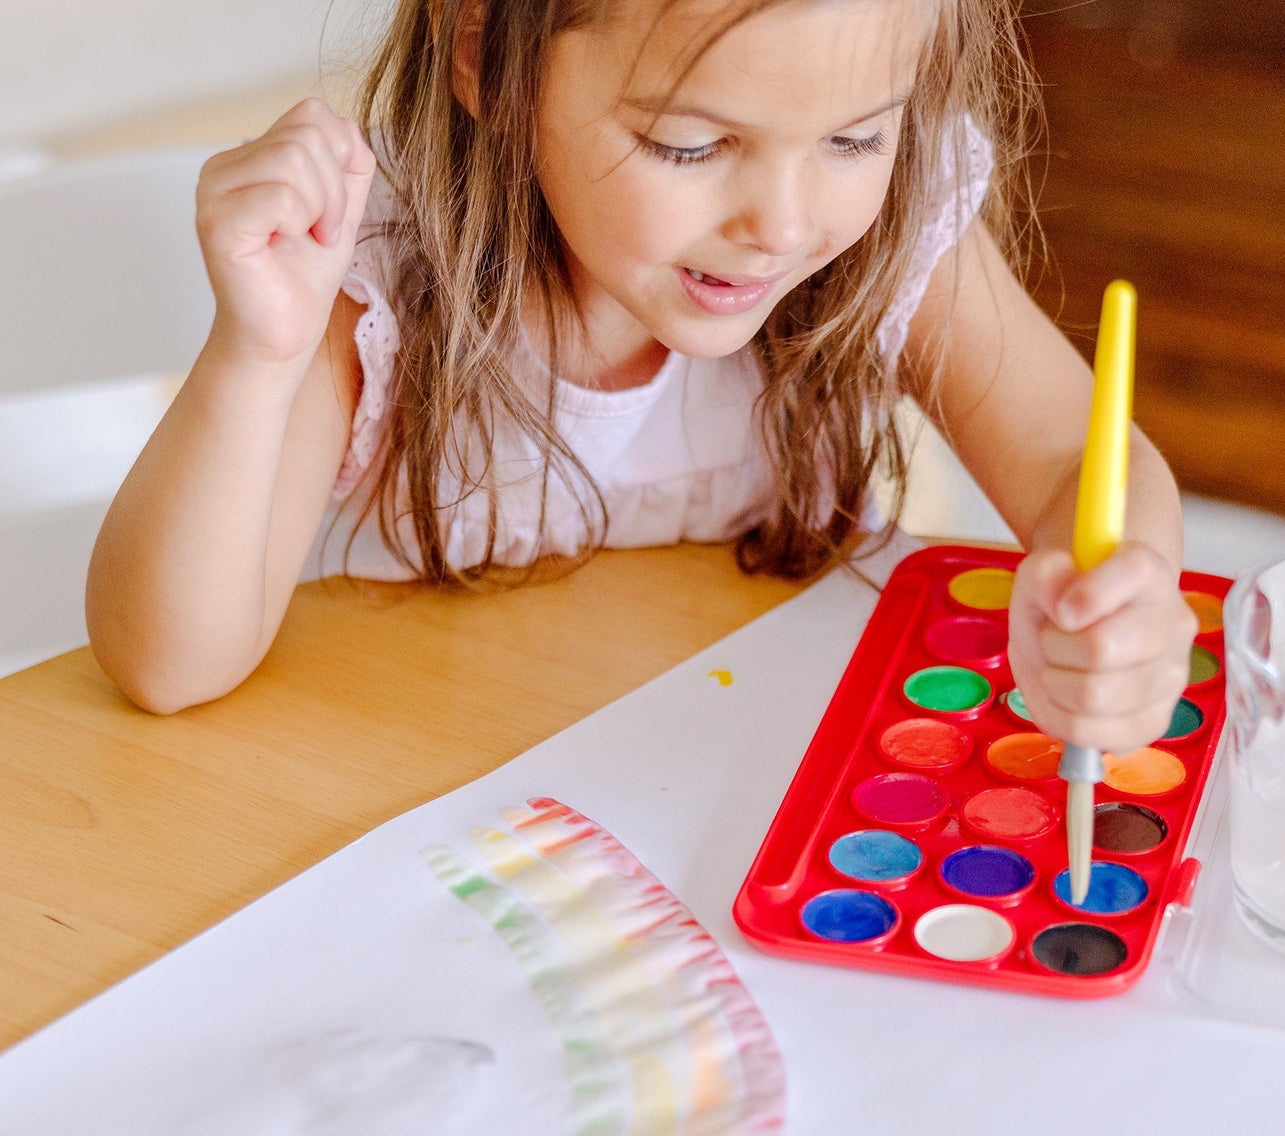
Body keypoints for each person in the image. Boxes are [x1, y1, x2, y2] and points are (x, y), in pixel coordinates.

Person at [86, 0, 1195, 748]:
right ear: (483, 52)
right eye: (689, 146)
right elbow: (169, 666)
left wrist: (1118, 592)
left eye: (855, 139)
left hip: (751, 782)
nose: (782, 224)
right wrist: (258, 357)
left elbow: (1072, 459)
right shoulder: (376, 283)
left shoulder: (895, 230)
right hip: (442, 802)